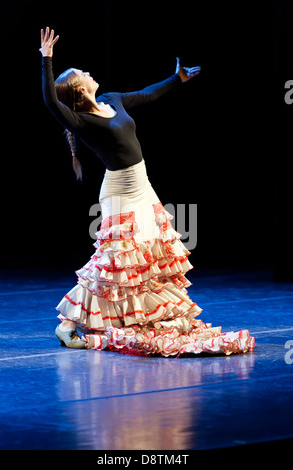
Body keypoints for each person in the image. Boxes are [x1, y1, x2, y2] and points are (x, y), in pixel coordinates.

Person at [41, 27, 254, 357]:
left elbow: (145, 94)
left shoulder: (111, 99)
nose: (87, 72)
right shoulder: (81, 120)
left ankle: (134, 314)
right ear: (79, 90)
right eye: (81, 74)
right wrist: (47, 61)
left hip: (143, 185)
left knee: (150, 254)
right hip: (120, 191)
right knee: (114, 259)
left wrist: (175, 80)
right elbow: (52, 104)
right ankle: (68, 324)